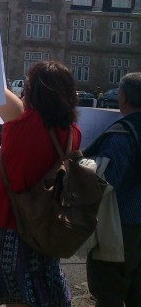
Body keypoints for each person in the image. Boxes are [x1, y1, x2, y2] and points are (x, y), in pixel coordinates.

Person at [0, 61, 80, 307]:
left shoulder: (22, 118)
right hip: (40, 233)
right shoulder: (72, 134)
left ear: (33, 89)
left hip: (2, 227)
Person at [83, 72, 141, 306]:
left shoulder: (123, 134)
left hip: (121, 228)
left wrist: (82, 163)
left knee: (109, 293)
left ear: (123, 97)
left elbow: (104, 180)